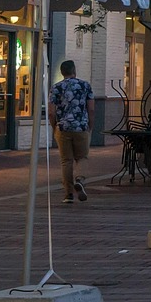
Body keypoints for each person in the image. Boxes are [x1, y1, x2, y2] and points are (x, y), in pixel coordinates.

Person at [48, 59, 95, 204]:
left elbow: (51, 111)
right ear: (74, 70)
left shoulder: (56, 88)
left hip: (63, 128)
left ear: (62, 72)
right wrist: (90, 125)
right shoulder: (85, 86)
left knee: (66, 161)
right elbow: (91, 108)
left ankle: (68, 194)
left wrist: (54, 125)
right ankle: (80, 179)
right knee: (82, 157)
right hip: (81, 127)